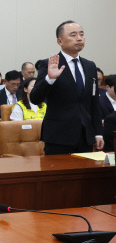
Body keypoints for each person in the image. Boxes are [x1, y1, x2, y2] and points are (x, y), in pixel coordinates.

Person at [30, 20, 103, 154]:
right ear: (60, 41)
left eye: (81, 34)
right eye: (73, 35)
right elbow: (35, 98)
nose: (79, 38)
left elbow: (94, 102)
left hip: (85, 135)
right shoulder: (49, 63)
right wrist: (50, 78)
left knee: (85, 174)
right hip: (59, 136)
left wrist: (98, 133)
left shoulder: (90, 65)